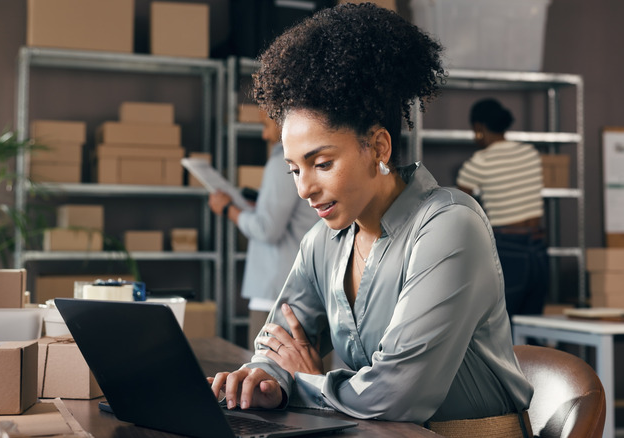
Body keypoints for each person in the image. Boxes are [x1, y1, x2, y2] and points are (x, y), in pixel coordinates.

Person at [209, 3, 533, 433]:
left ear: (378, 148)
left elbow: (397, 394)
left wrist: (304, 381)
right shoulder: (323, 243)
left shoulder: (450, 227)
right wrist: (263, 376)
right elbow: (276, 341)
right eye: (293, 169)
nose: (304, 188)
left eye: (321, 163)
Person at [208, 113, 317, 347]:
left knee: (263, 377)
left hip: (276, 295)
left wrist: (228, 209)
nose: (265, 135)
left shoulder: (283, 162)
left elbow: (267, 229)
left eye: (266, 125)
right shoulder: (309, 158)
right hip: (296, 292)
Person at [456, 98, 549, 318]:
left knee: (503, 324)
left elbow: (459, 206)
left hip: (507, 247)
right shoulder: (530, 153)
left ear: (479, 128)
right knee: (533, 325)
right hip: (538, 245)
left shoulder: (480, 161)